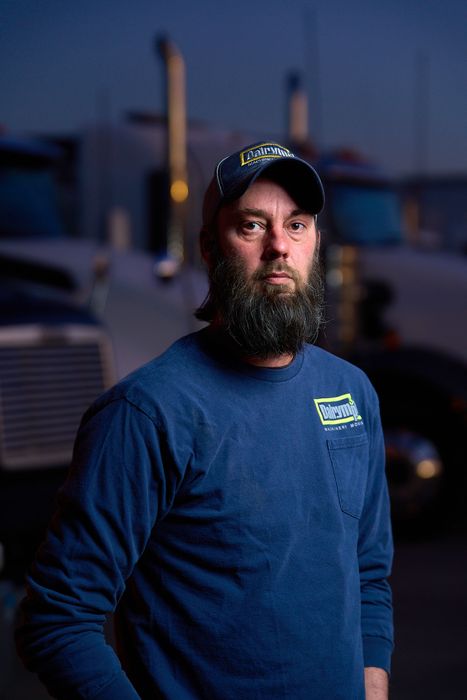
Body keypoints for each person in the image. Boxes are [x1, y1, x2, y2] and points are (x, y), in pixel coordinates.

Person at [16, 141, 393, 699]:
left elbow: (367, 570)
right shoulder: (147, 413)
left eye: (297, 225)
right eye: (250, 226)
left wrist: (373, 680)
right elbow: (56, 619)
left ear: (315, 242)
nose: (278, 248)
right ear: (209, 250)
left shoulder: (350, 392)